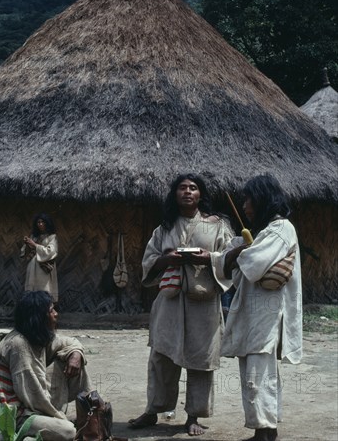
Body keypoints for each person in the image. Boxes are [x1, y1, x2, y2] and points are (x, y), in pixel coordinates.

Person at [128, 173, 233, 436]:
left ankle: (194, 416)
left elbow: (230, 257)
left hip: (204, 303)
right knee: (161, 356)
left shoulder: (217, 225)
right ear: (175, 194)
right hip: (170, 302)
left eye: (193, 188)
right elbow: (149, 262)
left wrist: (208, 257)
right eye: (182, 188)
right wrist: (168, 259)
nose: (187, 192)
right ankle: (154, 410)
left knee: (201, 360)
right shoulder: (163, 228)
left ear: (201, 195)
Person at [218, 174, 302, 441]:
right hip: (255, 313)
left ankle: (263, 432)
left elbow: (253, 264)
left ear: (263, 198)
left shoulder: (281, 228)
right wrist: (235, 252)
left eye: (248, 199)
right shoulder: (264, 232)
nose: (244, 206)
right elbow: (225, 260)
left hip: (266, 314)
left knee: (258, 371)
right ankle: (267, 428)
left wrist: (235, 254)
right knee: (258, 370)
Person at [0, 291, 91, 441]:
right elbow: (33, 397)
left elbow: (70, 342)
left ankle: (87, 417)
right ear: (39, 317)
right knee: (67, 431)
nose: (56, 314)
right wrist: (61, 419)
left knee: (73, 357)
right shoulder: (18, 345)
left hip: (32, 405)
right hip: (18, 416)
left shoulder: (37, 336)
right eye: (51, 310)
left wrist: (76, 354)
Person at [21, 213, 59, 302]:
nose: (40, 224)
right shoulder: (33, 236)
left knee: (44, 289)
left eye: (43, 222)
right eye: (38, 222)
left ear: (47, 223)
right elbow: (25, 253)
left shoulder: (52, 237)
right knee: (32, 289)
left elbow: (51, 251)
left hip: (43, 268)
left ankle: (45, 310)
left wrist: (35, 245)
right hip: (32, 266)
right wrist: (27, 244)